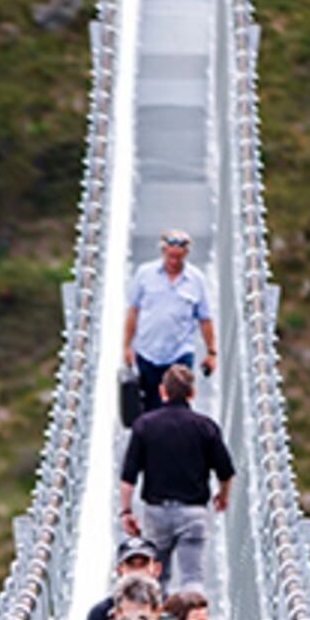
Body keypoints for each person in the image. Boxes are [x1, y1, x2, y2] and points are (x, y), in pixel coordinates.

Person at [119, 365, 234, 595]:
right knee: (193, 578)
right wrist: (223, 495)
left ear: (162, 391)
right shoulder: (205, 427)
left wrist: (126, 511)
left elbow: (128, 476)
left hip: (156, 512)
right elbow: (226, 472)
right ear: (192, 393)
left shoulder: (145, 425)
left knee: (156, 579)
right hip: (193, 512)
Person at [120, 227, 215, 428]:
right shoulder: (144, 274)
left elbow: (205, 319)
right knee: (150, 409)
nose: (174, 261)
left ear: (185, 255)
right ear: (163, 252)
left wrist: (211, 352)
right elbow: (133, 311)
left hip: (179, 353)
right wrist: (127, 346)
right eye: (171, 256)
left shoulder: (196, 280)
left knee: (177, 407)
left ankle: (178, 443)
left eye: (179, 257)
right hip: (148, 352)